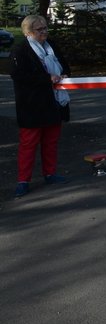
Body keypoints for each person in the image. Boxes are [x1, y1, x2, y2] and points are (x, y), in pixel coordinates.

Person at [10, 15, 71, 198]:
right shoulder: (20, 50)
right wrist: (47, 78)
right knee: (28, 144)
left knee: (51, 141)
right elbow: (19, 75)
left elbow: (64, 65)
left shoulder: (51, 45)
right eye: (39, 29)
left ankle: (50, 174)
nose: (44, 31)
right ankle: (23, 181)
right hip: (32, 105)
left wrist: (64, 74)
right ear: (28, 32)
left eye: (45, 27)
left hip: (54, 102)